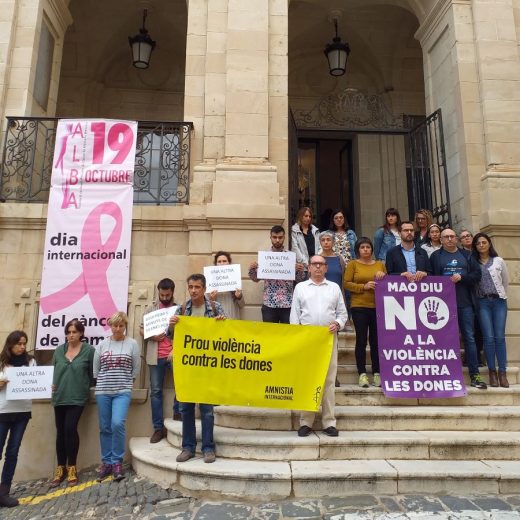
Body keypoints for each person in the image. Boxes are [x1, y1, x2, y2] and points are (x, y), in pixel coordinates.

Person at [290, 255, 348, 438]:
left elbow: (342, 313)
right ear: (308, 267)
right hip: (307, 339)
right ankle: (306, 422)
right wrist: (298, 336)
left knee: (329, 380)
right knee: (308, 380)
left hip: (328, 338)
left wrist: (337, 324)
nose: (317, 267)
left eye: (320, 264)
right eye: (314, 264)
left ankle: (329, 422)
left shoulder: (334, 288)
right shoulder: (300, 288)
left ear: (325, 268)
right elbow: (294, 315)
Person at [172, 274, 226, 463]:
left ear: (204, 289)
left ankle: (208, 448)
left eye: (197, 287)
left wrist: (221, 323)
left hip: (207, 367)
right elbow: (173, 337)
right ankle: (188, 447)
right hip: (187, 367)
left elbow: (226, 335)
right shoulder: (182, 309)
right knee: (186, 408)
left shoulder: (214, 307)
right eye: (191, 287)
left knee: (207, 410)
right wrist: (172, 326)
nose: (193, 290)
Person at [430, 228, 486, 389]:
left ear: (456, 239)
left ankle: (474, 375)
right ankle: (445, 375)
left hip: (465, 303)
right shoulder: (435, 257)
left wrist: (462, 277)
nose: (449, 239)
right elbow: (431, 278)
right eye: (445, 237)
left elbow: (477, 276)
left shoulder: (467, 255)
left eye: (452, 236)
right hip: (442, 306)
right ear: (440, 239)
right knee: (443, 340)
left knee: (469, 338)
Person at [94, 311, 141, 482]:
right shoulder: (101, 345)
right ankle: (106, 462)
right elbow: (96, 369)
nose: (118, 328)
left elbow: (136, 368)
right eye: (115, 325)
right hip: (103, 391)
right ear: (110, 326)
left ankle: (117, 462)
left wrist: (127, 383)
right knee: (105, 426)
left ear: (125, 326)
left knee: (117, 423)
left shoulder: (132, 344)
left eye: (121, 325)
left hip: (122, 391)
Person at [50, 319, 94, 488]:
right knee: (60, 431)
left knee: (70, 428)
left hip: (77, 397)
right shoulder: (58, 351)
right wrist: (51, 384)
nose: (71, 335)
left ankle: (72, 467)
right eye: (68, 332)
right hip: (59, 396)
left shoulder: (89, 351)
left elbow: (92, 375)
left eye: (74, 332)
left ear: (81, 333)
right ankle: (60, 467)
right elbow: (52, 372)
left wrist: (83, 387)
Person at [140, 278, 180, 445]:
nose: (164, 297)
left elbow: (185, 332)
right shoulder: (151, 308)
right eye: (162, 294)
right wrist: (152, 336)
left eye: (167, 295)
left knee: (181, 386)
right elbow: (141, 329)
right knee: (156, 391)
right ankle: (158, 428)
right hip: (155, 355)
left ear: (172, 292)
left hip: (174, 353)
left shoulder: (179, 309)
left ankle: (178, 416)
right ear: (158, 292)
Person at [344, 238, 386, 388]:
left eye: (368, 247)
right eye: (362, 247)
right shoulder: (352, 264)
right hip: (359, 306)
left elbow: (387, 285)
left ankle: (377, 373)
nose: (366, 249)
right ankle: (362, 374)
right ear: (358, 250)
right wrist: (364, 287)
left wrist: (383, 276)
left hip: (377, 307)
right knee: (361, 340)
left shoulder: (380, 264)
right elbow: (346, 283)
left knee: (376, 341)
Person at [0, 331, 34, 508]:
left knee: (12, 452)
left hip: (22, 413)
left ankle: (4, 492)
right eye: (19, 343)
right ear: (10, 344)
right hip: (2, 412)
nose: (22, 347)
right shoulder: (1, 363)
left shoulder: (31, 362)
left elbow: (36, 382)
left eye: (24, 343)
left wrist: (45, 386)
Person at [472, 233, 510, 388]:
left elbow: (505, 281)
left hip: (499, 301)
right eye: (478, 243)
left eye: (484, 242)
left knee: (499, 337)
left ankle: (503, 373)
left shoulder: (498, 260)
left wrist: (500, 295)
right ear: (475, 246)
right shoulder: (473, 262)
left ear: (489, 244)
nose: (481, 245)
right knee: (488, 338)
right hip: (483, 302)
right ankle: (492, 372)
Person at [249, 225, 305, 323]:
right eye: (274, 237)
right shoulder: (265, 256)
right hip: (269, 304)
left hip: (287, 304)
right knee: (269, 335)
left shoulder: (291, 256)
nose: (277, 240)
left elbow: (299, 280)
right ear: (270, 238)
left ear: (284, 237)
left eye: (280, 237)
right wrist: (252, 269)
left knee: (286, 335)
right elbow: (255, 279)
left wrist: (300, 270)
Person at [209, 251, 245, 320]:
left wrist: (239, 297)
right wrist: (212, 299)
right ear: (216, 264)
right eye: (219, 261)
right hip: (217, 320)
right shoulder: (210, 282)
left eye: (224, 261)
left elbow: (242, 305)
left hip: (232, 320)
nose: (222, 263)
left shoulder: (235, 281)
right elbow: (206, 306)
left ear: (229, 263)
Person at [291, 207, 320, 276]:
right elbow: (295, 248)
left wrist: (315, 261)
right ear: (301, 216)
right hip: (302, 267)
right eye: (306, 216)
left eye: (310, 216)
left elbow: (320, 246)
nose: (308, 218)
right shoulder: (294, 230)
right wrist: (307, 264)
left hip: (316, 265)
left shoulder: (315, 230)